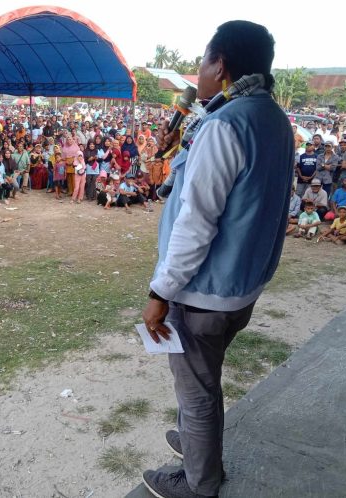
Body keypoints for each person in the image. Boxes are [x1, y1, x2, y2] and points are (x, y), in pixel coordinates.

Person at [141, 21, 294, 498]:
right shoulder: (271, 117)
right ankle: (194, 440)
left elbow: (196, 222)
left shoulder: (225, 125)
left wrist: (160, 292)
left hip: (205, 291)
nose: (198, 73)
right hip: (241, 284)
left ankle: (200, 483)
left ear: (220, 65)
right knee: (203, 378)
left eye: (203, 62)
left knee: (198, 390)